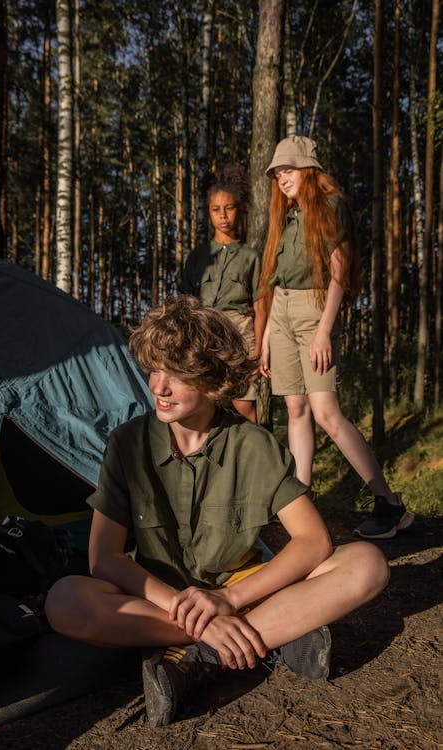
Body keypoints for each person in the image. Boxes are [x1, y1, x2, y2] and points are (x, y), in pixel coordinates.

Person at [45, 295, 390, 727]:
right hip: (159, 597)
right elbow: (104, 558)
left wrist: (227, 600)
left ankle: (202, 657)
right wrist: (200, 619)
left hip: (241, 589)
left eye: (177, 374)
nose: (159, 387)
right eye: (154, 368)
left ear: (213, 379)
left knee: (366, 563)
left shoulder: (254, 445)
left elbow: (314, 541)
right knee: (65, 600)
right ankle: (253, 635)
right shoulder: (127, 443)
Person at [258, 135, 414, 539]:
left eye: (288, 169)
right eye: (277, 173)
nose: (281, 178)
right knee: (295, 409)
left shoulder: (330, 206)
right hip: (282, 314)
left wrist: (325, 330)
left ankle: (388, 503)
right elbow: (276, 283)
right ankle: (301, 500)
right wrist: (266, 340)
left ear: (308, 169)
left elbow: (340, 272)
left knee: (326, 412)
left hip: (314, 311)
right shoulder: (287, 218)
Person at [181, 163, 264, 422]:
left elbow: (261, 307)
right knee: (204, 403)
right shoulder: (198, 257)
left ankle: (256, 457)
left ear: (239, 210)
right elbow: (185, 305)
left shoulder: (250, 257)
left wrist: (260, 348)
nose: (223, 215)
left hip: (242, 333)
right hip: (206, 332)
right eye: (216, 210)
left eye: (229, 208)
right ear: (209, 213)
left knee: (244, 404)